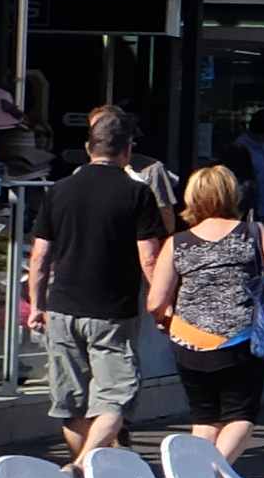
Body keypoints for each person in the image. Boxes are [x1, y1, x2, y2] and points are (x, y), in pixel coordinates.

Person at [23, 105, 169, 459]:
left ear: (89, 148)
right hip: (112, 311)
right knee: (116, 399)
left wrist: (37, 304)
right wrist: (160, 304)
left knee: (71, 403)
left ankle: (83, 471)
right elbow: (149, 258)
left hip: (62, 308)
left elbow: (40, 256)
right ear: (127, 150)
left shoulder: (59, 190)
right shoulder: (137, 193)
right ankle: (84, 468)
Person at [144, 161, 264, 466]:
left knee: (205, 418)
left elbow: (155, 302)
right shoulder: (254, 232)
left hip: (187, 342)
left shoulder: (176, 242)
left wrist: (166, 322)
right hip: (239, 340)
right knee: (240, 416)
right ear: (232, 194)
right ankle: (215, 473)